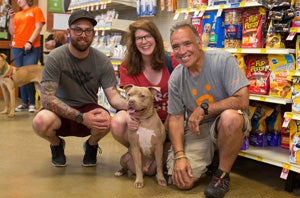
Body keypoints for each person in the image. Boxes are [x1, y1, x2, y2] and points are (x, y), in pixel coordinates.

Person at [166, 20, 251, 198]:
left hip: (227, 121)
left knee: (231, 118)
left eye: (187, 43)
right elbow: (175, 118)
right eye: (176, 47)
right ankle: (211, 159)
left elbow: (242, 100)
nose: (182, 51)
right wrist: (180, 156)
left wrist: (205, 108)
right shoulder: (176, 78)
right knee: (183, 181)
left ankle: (221, 175)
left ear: (199, 42)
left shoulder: (223, 60)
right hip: (199, 129)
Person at [32, 9, 127, 167]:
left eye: (88, 30)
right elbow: (47, 99)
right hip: (60, 110)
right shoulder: (56, 57)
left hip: (88, 107)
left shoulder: (102, 61)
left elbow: (114, 97)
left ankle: (91, 145)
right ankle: (56, 145)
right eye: (78, 30)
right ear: (69, 32)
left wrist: (133, 105)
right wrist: (82, 118)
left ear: (93, 33)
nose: (83, 34)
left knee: (105, 119)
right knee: (41, 121)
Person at [110, 19, 178, 174]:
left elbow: (182, 94)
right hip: (143, 120)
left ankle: (148, 156)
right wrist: (129, 115)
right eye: (139, 38)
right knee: (118, 121)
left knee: (159, 168)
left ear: (156, 38)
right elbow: (129, 99)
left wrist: (169, 122)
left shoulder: (171, 61)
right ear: (134, 43)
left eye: (148, 36)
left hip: (170, 119)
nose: (144, 41)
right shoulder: (128, 66)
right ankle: (137, 151)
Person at [7, 0, 45, 113]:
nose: (18, 1)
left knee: (29, 75)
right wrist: (11, 18)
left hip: (31, 46)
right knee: (19, 76)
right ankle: (24, 103)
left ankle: (32, 103)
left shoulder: (36, 10)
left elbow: (38, 28)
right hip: (17, 47)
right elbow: (12, 32)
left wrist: (29, 42)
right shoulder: (17, 14)